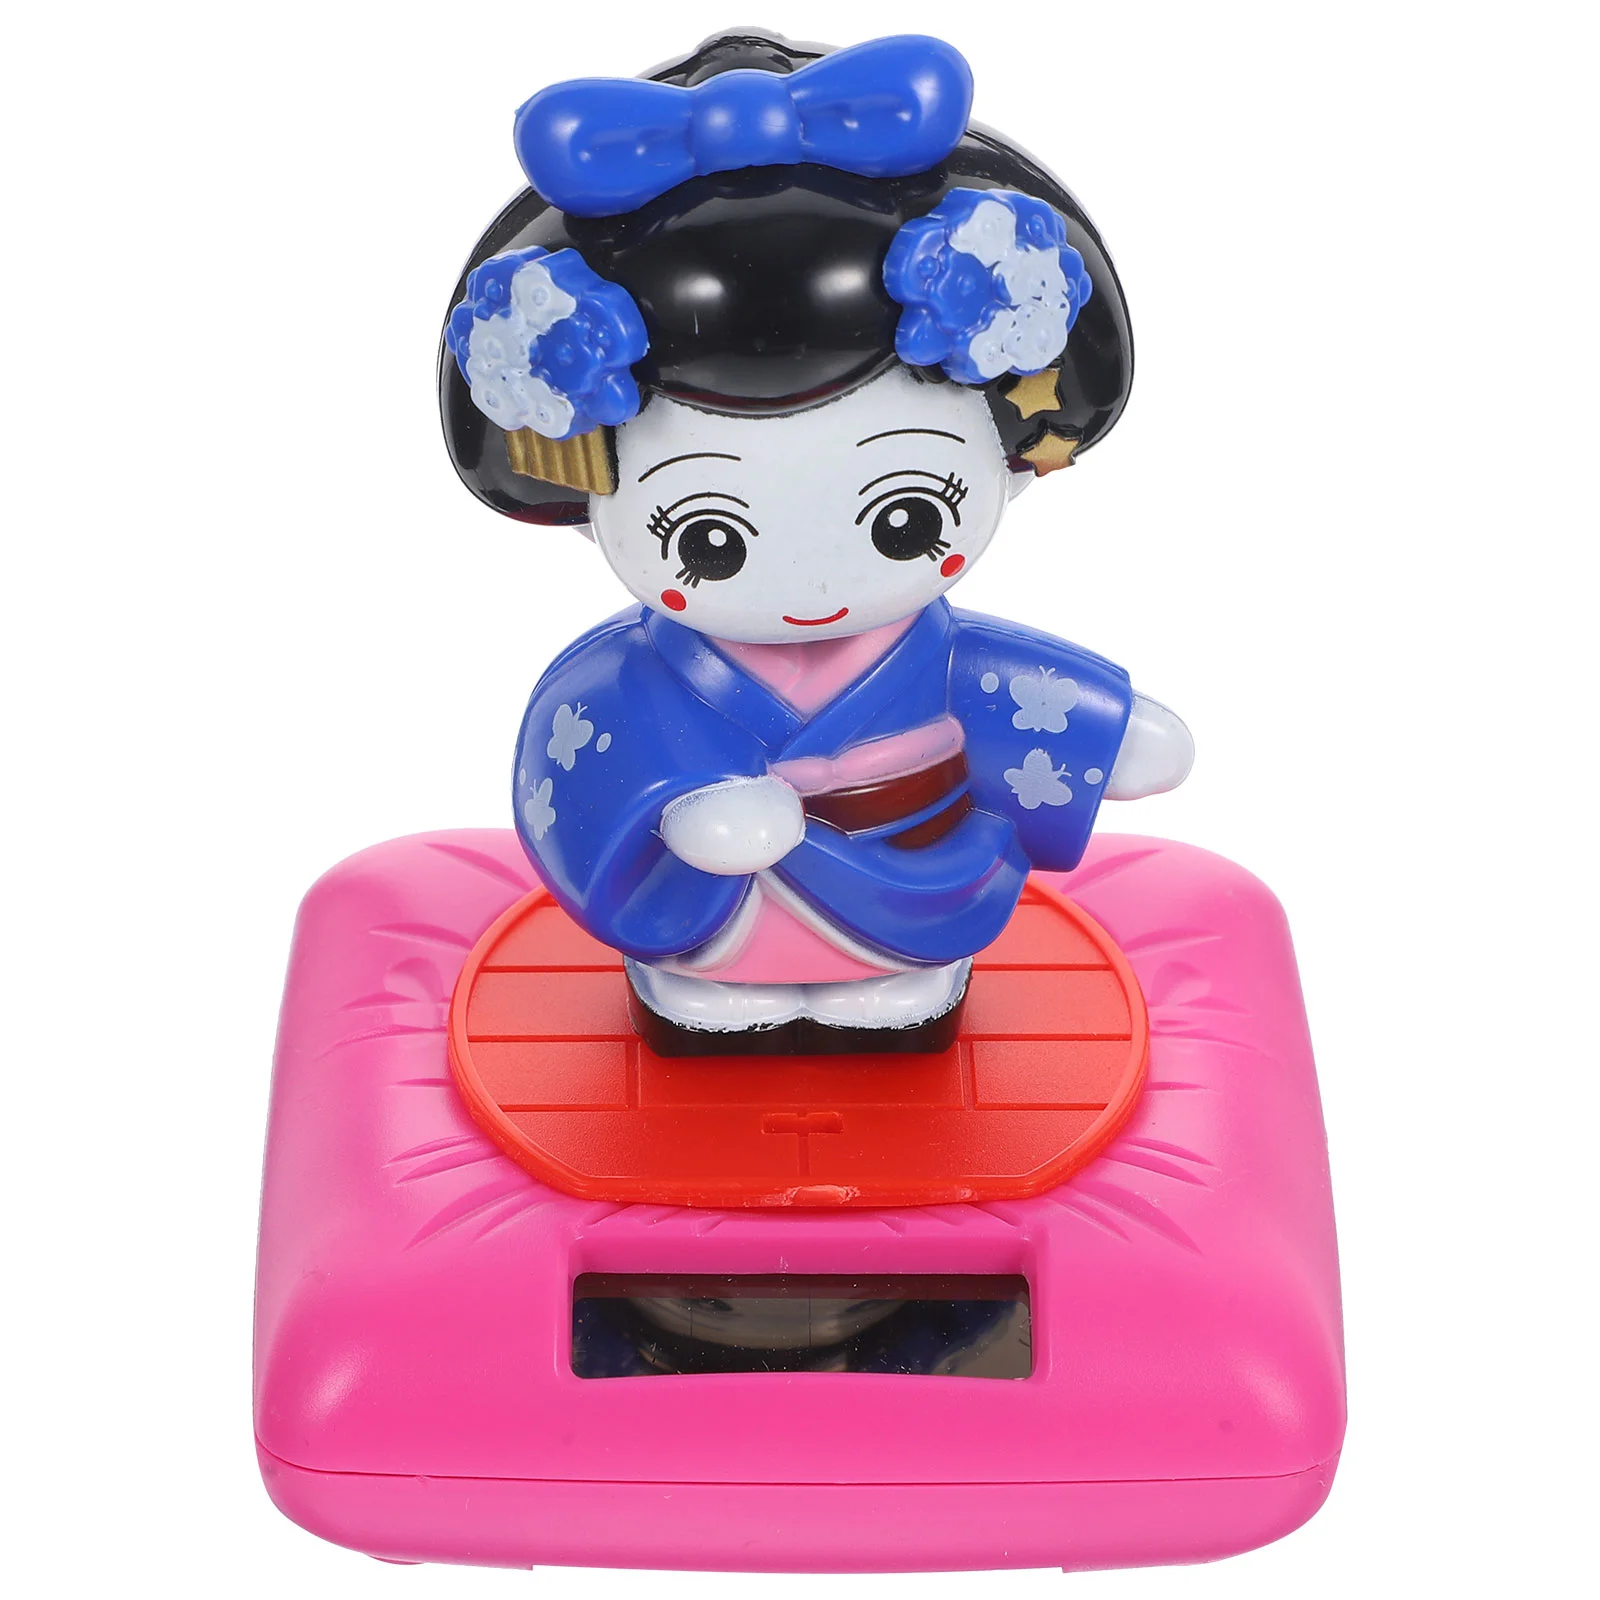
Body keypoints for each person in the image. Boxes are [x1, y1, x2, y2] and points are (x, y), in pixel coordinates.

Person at [440, 30, 1192, 1053]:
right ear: (583, 492)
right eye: (709, 539)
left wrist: (1107, 734)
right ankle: (702, 990)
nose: (812, 585)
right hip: (711, 909)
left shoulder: (930, 659)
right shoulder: (641, 682)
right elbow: (588, 757)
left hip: (911, 889)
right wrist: (689, 805)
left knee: (903, 989)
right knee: (710, 981)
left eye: (906, 519)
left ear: (1013, 460)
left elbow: (1004, 694)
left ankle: (899, 987)